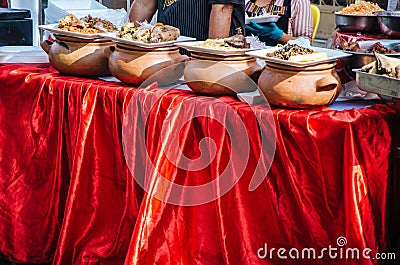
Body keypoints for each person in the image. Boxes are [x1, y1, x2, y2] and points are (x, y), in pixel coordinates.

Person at [128, 0, 246, 41]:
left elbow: (222, 8)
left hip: (201, 59)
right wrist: (131, 39)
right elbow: (143, 4)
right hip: (168, 56)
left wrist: (209, 59)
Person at [244, 0, 313, 46]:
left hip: (280, 62)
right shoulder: (243, 2)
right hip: (246, 58)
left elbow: (306, 44)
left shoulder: (298, 2)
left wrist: (280, 36)